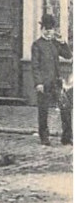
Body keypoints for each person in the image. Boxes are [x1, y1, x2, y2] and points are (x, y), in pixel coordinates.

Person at [31, 13, 73, 146]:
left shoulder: (55, 44)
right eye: (47, 30)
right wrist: (38, 83)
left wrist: (63, 43)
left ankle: (67, 137)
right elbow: (35, 66)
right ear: (42, 29)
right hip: (44, 84)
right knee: (43, 111)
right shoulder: (37, 45)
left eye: (51, 30)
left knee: (65, 108)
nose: (49, 32)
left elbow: (68, 56)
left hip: (57, 83)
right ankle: (44, 136)